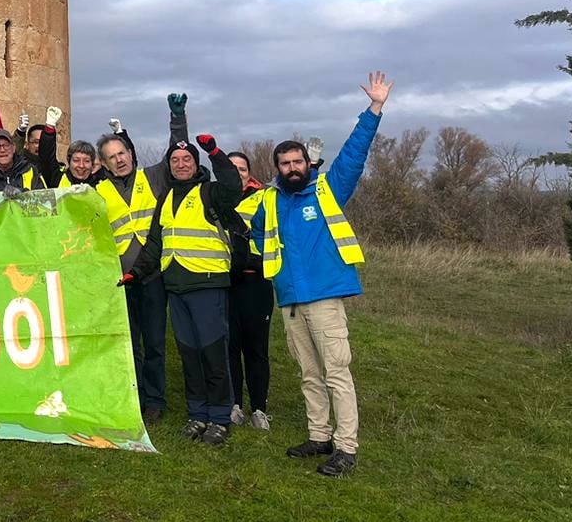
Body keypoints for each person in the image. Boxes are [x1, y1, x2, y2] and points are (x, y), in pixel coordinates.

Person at [244, 72, 392, 478]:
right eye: (285, 164)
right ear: (276, 168)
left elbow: (353, 155)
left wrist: (374, 109)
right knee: (308, 373)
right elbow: (256, 233)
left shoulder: (328, 189)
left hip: (325, 297)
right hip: (290, 300)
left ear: (308, 164)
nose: (292, 168)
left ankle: (346, 447)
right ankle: (319, 435)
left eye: (297, 162)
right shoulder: (270, 201)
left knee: (336, 372)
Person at [135, 134, 246, 445]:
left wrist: (215, 151)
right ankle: (197, 414)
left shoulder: (211, 192)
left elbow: (234, 187)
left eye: (187, 160)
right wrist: (136, 273)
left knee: (213, 353)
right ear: (169, 167)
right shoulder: (166, 198)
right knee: (189, 354)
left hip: (207, 282)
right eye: (175, 161)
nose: (181, 164)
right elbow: (155, 242)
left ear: (196, 164)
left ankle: (220, 417)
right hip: (176, 287)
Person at [95, 94, 189, 423]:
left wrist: (177, 119)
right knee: (128, 343)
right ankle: (132, 397)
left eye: (122, 153)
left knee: (154, 342)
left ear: (131, 154)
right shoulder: (97, 192)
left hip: (152, 276)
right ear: (104, 164)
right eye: (112, 157)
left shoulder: (153, 177)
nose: (119, 160)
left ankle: (155, 400)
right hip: (121, 279)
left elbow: (178, 153)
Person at [227, 151, 273, 430]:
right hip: (226, 281)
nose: (237, 173)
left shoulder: (265, 197)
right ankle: (234, 404)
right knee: (230, 345)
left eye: (242, 169)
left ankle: (259, 408)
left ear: (249, 173)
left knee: (256, 348)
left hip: (256, 280)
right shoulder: (215, 196)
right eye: (231, 169)